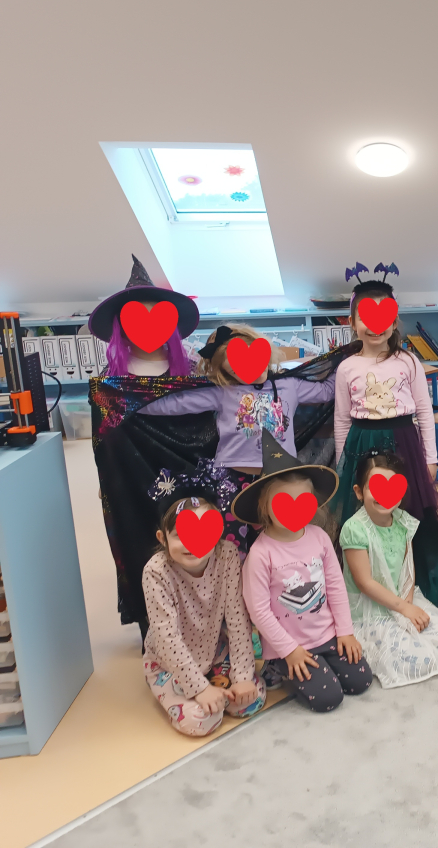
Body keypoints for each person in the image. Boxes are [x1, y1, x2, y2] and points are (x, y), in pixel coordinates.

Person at [332, 264, 438, 619]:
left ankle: (417, 594)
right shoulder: (346, 368)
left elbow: (425, 411)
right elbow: (342, 419)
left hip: (405, 444)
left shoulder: (408, 362)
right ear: (352, 323)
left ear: (393, 322)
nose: (375, 326)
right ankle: (375, 593)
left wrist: (431, 458)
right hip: (362, 444)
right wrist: (344, 466)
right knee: (368, 515)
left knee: (409, 516)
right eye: (366, 317)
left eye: (384, 318)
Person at [139, 323, 336, 558]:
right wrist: (124, 402)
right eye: (234, 370)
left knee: (278, 541)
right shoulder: (224, 392)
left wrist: (345, 360)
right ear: (226, 374)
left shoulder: (290, 385)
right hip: (231, 480)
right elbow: (173, 404)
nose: (247, 371)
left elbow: (327, 391)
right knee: (232, 547)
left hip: (278, 481)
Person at [238, 432, 371, 712]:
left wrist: (345, 632)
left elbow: (335, 587)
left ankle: (322, 662)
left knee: (361, 680)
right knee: (328, 698)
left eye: (303, 500)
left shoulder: (319, 538)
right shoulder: (261, 554)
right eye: (283, 501)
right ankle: (276, 666)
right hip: (291, 646)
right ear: (265, 506)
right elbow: (258, 611)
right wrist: (289, 650)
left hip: (328, 635)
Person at [340, 449, 438, 688]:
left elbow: (408, 569)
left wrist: (407, 604)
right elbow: (365, 583)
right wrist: (403, 609)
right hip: (371, 611)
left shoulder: (402, 521)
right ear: (359, 492)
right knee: (417, 658)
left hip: (402, 599)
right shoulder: (354, 529)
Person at [141, 470, 265, 736]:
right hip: (168, 662)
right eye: (180, 535)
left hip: (214, 649)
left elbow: (237, 619)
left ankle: (219, 689)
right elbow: (167, 637)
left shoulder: (227, 555)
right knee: (199, 720)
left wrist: (242, 677)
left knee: (250, 698)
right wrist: (200, 688)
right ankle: (201, 692)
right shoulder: (156, 572)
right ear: (162, 538)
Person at [88, 254, 199, 377]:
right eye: (137, 321)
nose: (149, 328)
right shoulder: (111, 374)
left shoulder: (191, 370)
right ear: (122, 328)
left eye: (159, 320)